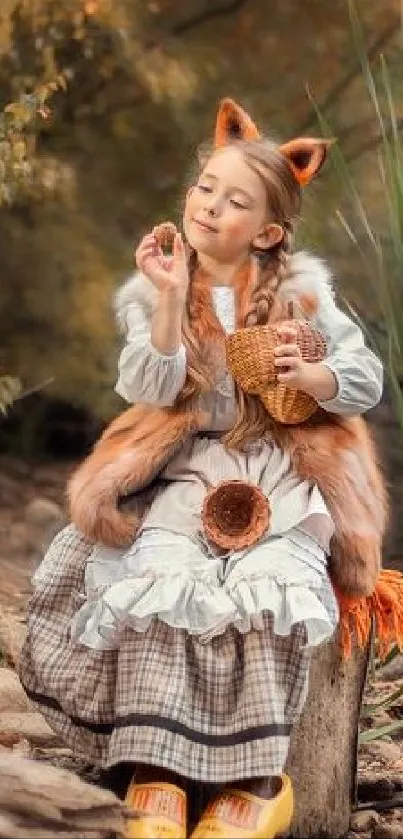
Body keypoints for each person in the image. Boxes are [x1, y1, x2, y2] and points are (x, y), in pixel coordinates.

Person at [18, 99, 384, 839]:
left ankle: (251, 782)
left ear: (269, 231)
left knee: (269, 588)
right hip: (189, 466)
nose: (211, 206)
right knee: (161, 576)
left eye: (236, 201)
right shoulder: (159, 285)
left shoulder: (304, 288)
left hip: (280, 467)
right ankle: (157, 774)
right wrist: (165, 299)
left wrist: (312, 379)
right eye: (204, 189)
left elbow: (363, 375)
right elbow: (150, 388)